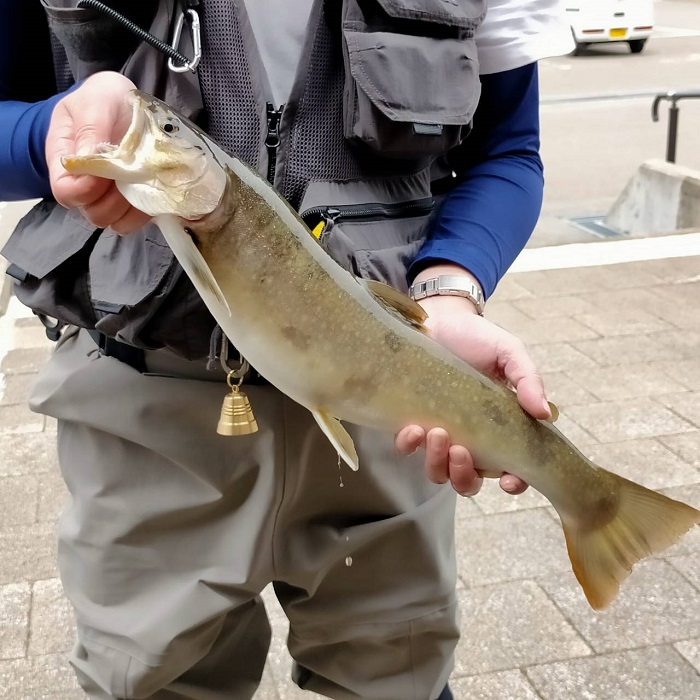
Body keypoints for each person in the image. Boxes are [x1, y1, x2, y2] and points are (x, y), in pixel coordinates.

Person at [0, 1, 573, 698]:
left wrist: (449, 288)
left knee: (399, 681)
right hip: (141, 407)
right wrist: (52, 134)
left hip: (387, 405)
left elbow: (507, 149)